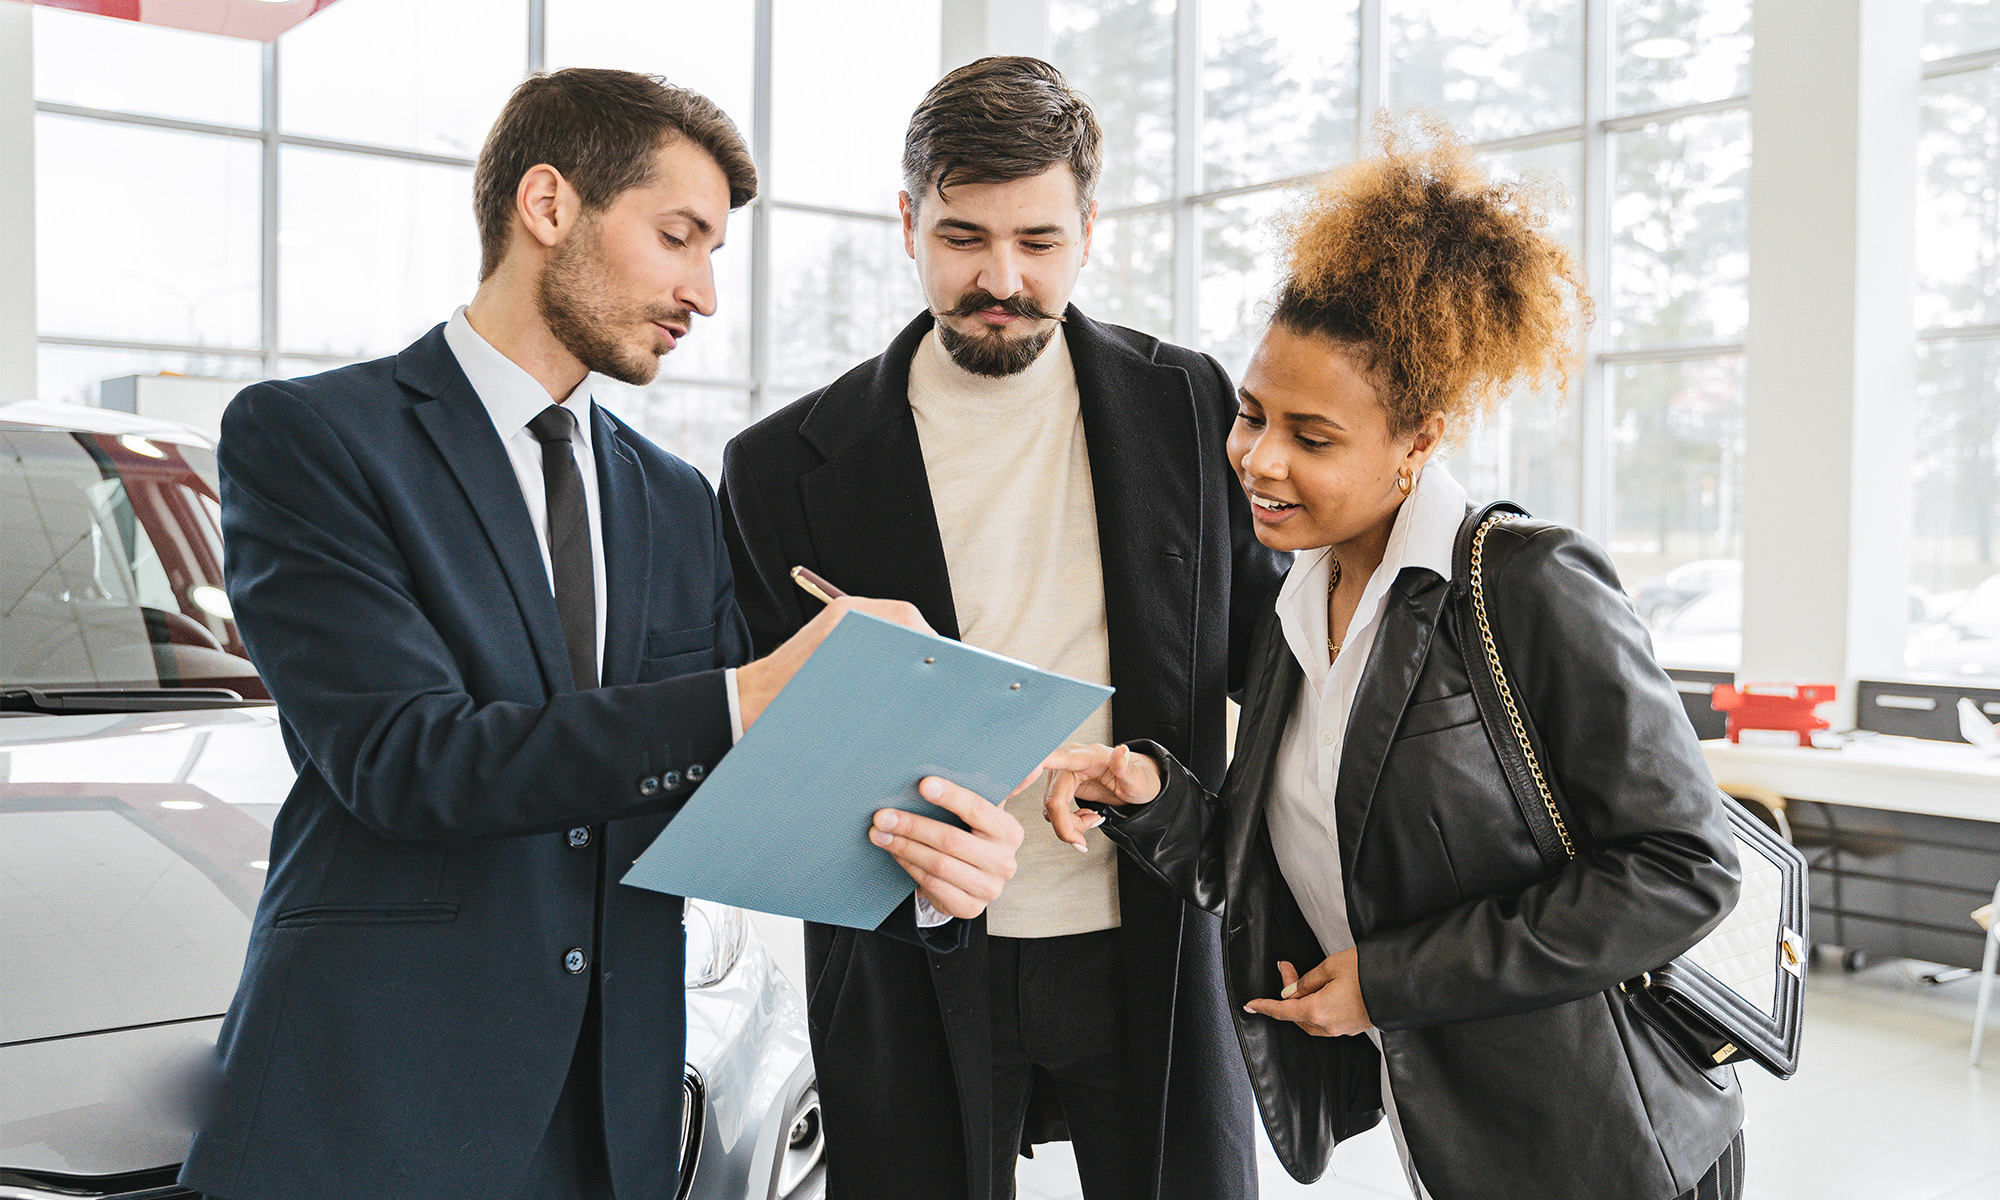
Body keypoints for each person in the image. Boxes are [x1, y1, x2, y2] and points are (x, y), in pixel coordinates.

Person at [179, 69, 1021, 1200]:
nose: (705, 293)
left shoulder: (673, 498)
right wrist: (746, 696)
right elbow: (401, 763)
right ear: (547, 205)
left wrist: (925, 858)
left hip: (618, 1122)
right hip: (377, 1104)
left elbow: (730, 797)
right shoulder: (315, 440)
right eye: (680, 238)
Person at [1037, 120, 1748, 1200]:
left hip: (1601, 1149)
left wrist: (1388, 982)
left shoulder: (1524, 584)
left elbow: (1682, 866)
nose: (1259, 461)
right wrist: (1147, 797)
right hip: (1452, 1137)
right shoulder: (1300, 598)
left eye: (1311, 438)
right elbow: (1281, 867)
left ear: (1418, 440)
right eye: (1250, 415)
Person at [719, 55, 1285, 1200]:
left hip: (1149, 929)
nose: (1001, 277)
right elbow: (761, 755)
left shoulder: (1187, 403)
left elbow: (1272, 661)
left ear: (1089, 227)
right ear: (906, 223)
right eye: (963, 237)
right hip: (904, 950)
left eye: (1038, 241)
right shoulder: (781, 466)